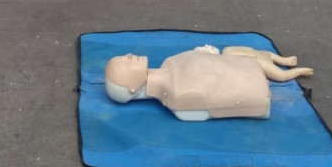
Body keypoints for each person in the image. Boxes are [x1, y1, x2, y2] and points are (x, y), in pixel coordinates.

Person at [103, 46, 312, 121]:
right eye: (124, 63)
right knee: (241, 58)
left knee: (231, 51)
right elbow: (219, 101)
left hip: (239, 68)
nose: (128, 55)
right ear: (131, 88)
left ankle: (281, 62)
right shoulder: (179, 96)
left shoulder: (170, 63)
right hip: (252, 86)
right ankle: (285, 73)